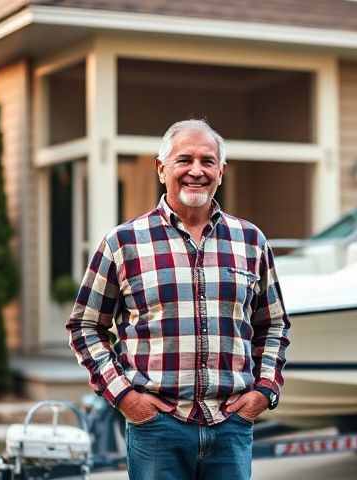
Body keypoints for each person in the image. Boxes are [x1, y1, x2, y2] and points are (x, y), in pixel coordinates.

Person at [67, 119, 290, 480]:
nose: (196, 171)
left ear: (221, 171)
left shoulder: (251, 241)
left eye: (207, 161)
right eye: (184, 160)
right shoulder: (123, 243)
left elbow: (273, 324)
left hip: (231, 427)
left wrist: (265, 390)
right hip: (157, 430)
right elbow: (85, 326)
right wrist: (124, 397)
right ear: (161, 168)